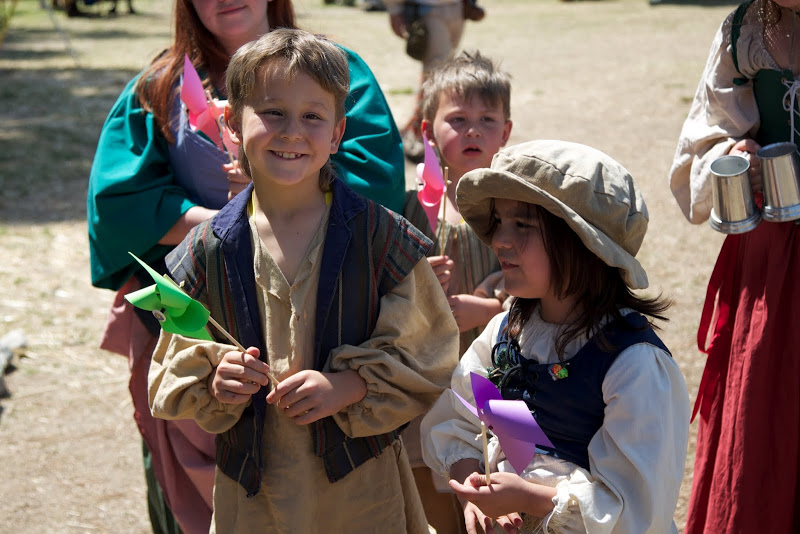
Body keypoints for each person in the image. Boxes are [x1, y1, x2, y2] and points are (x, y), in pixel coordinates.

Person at [86, 1, 406, 532]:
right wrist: (228, 222)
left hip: (321, 327)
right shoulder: (159, 86)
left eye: (307, 116)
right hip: (200, 327)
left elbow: (376, 184)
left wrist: (279, 206)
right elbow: (118, 204)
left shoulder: (334, 66)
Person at [147, 29, 459, 532]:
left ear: (337, 134)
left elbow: (430, 351)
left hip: (361, 491)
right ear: (230, 122)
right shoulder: (209, 249)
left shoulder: (381, 238)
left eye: (313, 116)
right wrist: (216, 378)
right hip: (254, 496)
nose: (292, 131)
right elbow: (172, 363)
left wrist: (351, 384)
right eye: (272, 112)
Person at [422, 140, 691, 533]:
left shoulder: (632, 364)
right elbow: (460, 421)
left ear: (583, 243)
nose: (499, 240)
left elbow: (634, 508)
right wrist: (472, 491)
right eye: (499, 222)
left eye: (523, 225)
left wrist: (529, 496)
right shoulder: (506, 329)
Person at [668, 0, 800, 532]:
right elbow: (702, 140)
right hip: (772, 260)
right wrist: (734, 154)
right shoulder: (744, 30)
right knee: (766, 420)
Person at [401, 50, 512, 534]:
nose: (472, 131)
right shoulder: (408, 208)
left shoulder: (518, 205)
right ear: (427, 131)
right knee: (433, 485)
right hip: (428, 382)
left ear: (506, 132)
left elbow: (542, 287)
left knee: (508, 480)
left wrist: (487, 307)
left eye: (487, 120)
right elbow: (386, 297)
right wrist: (418, 280)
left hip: (504, 379)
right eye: (457, 119)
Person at [383, 0, 466, 162]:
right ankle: (420, 133)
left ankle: (422, 129)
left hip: (458, 7)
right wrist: (395, 9)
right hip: (428, 7)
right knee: (435, 73)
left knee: (445, 70)